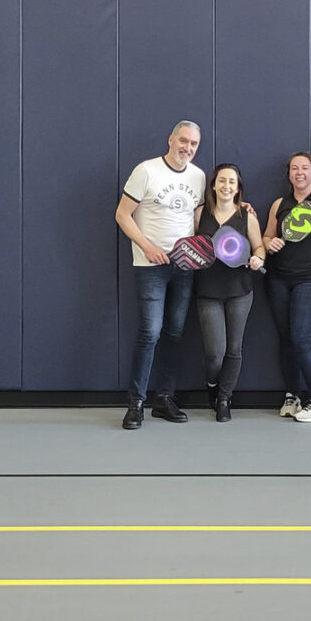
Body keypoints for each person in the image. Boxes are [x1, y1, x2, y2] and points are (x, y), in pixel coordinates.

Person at [115, 120, 206, 430]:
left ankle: (164, 398)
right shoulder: (147, 171)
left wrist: (237, 211)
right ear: (170, 139)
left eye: (194, 144)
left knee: (175, 333)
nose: (188, 148)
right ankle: (136, 402)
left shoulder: (198, 176)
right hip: (150, 265)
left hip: (184, 267)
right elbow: (122, 214)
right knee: (150, 332)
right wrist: (147, 246)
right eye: (183, 141)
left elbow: (198, 219)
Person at [262, 151, 311, 422]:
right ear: (289, 174)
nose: (299, 172)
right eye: (294, 168)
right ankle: (292, 396)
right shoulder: (278, 205)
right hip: (277, 280)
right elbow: (266, 237)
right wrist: (267, 243)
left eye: (304, 168)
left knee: (301, 339)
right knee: (286, 341)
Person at [193, 163, 264, 422]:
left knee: (234, 349)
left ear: (238, 187)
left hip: (240, 291)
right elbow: (191, 246)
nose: (226, 186)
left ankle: (224, 398)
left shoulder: (248, 216)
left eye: (232, 182)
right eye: (222, 181)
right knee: (215, 352)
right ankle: (212, 385)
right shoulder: (200, 214)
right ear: (213, 185)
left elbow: (259, 248)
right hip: (208, 291)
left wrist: (258, 259)